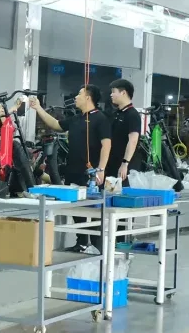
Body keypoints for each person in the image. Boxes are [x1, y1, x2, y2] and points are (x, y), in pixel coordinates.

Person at [30, 85, 111, 252]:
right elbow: (56, 124)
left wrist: (101, 169)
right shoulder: (76, 119)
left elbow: (106, 144)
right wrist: (38, 108)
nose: (75, 97)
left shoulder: (100, 119)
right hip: (73, 169)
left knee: (93, 210)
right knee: (76, 208)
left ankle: (97, 247)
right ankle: (81, 242)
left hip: (90, 173)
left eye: (79, 94)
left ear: (88, 98)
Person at [105, 79, 142, 184]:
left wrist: (125, 163)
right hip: (113, 163)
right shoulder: (117, 113)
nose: (111, 95)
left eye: (113, 91)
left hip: (125, 166)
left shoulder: (132, 115)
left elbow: (133, 141)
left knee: (122, 195)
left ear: (123, 92)